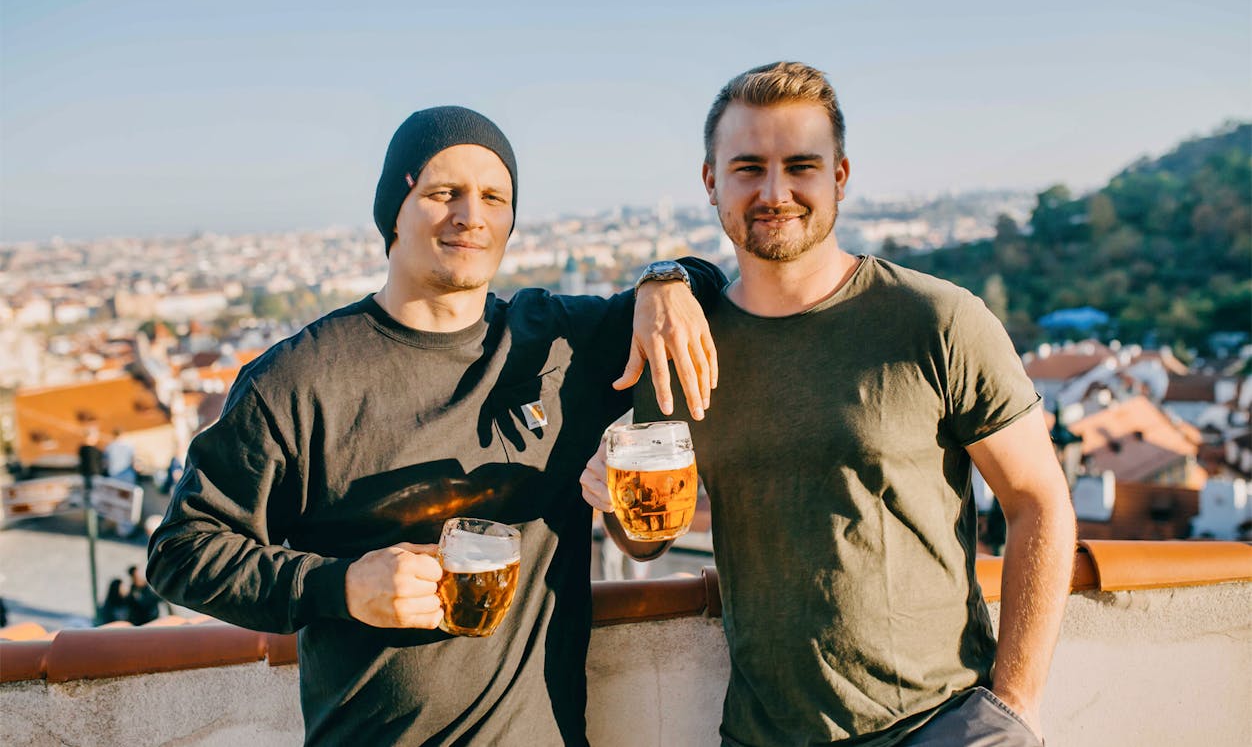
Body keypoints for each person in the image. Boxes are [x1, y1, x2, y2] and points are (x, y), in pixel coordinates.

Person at [147, 105, 725, 746]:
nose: (470, 215)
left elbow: (704, 278)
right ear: (392, 211)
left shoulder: (556, 342)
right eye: (443, 192)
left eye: (493, 197)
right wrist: (342, 587)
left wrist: (663, 282)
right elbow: (182, 552)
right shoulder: (299, 379)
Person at [582, 63, 1077, 746]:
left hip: (938, 724)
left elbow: (1039, 499)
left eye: (801, 166)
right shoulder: (683, 344)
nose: (775, 191)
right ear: (711, 181)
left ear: (840, 177)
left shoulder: (936, 319)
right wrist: (612, 497)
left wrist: (1015, 703)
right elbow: (648, 541)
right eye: (749, 167)